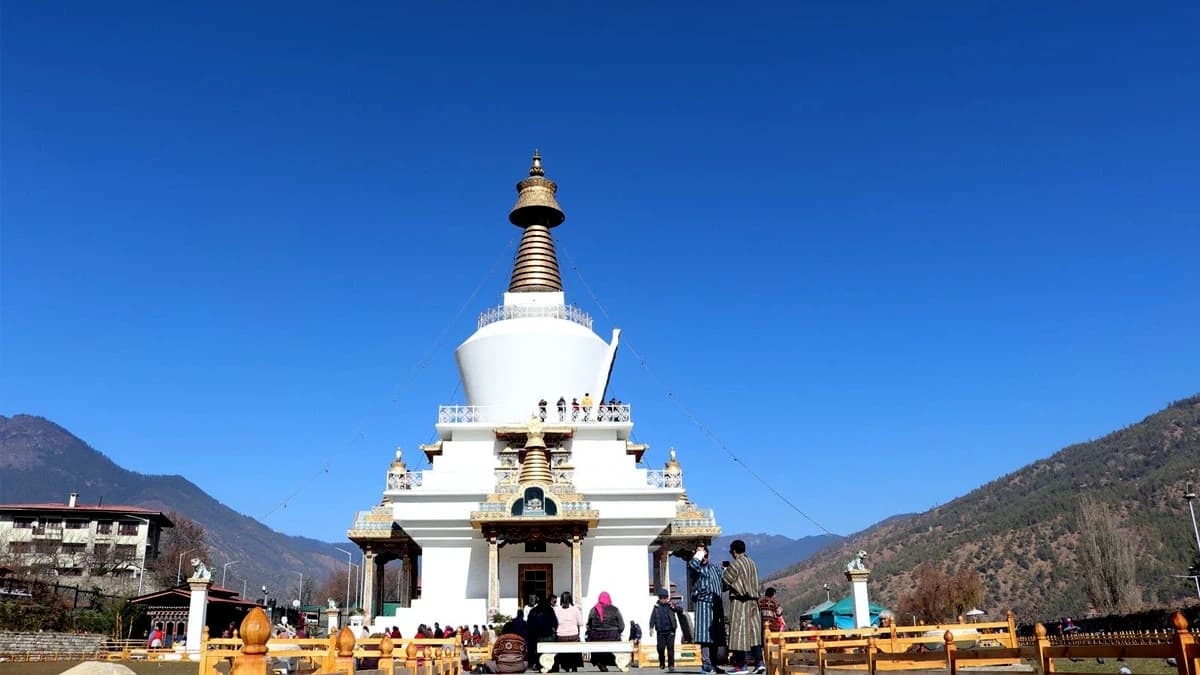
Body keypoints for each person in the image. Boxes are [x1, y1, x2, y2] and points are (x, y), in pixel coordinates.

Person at [723, 539, 764, 674]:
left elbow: (725, 582)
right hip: (754, 602)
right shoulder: (752, 563)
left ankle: (741, 665)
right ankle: (759, 662)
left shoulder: (735, 565)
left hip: (741, 601)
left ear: (734, 551)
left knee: (738, 632)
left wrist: (725, 570)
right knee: (754, 633)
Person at [690, 545, 728, 673]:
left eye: (705, 555)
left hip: (716, 605)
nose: (703, 558)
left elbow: (724, 585)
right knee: (705, 636)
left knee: (716, 636)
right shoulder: (696, 569)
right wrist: (699, 554)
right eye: (701, 556)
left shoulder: (715, 569)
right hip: (704, 605)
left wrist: (727, 571)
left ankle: (714, 663)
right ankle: (706, 663)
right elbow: (693, 565)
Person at [586, 591, 625, 672]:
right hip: (612, 635)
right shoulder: (615, 610)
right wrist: (618, 632)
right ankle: (613, 661)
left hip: (596, 636)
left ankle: (600, 662)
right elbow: (621, 625)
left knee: (595, 644)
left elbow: (589, 625)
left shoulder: (593, 609)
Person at [554, 591, 585, 673]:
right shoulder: (575, 609)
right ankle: (574, 666)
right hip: (573, 635)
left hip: (561, 636)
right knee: (575, 645)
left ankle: (565, 666)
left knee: (563, 647)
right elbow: (581, 623)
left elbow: (554, 623)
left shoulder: (556, 609)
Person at [649, 588, 678, 672]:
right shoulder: (656, 607)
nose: (663, 599)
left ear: (667, 598)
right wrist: (651, 628)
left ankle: (671, 665)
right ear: (659, 598)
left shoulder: (670, 605)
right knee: (660, 648)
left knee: (670, 648)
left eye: (665, 598)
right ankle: (662, 661)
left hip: (671, 631)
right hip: (660, 631)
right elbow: (652, 618)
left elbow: (678, 610)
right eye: (661, 598)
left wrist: (673, 606)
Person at [527, 595, 559, 669]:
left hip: (537, 637)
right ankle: (552, 665)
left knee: (537, 650)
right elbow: (555, 623)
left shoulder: (533, 611)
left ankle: (539, 665)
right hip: (549, 635)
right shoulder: (550, 610)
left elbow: (529, 624)